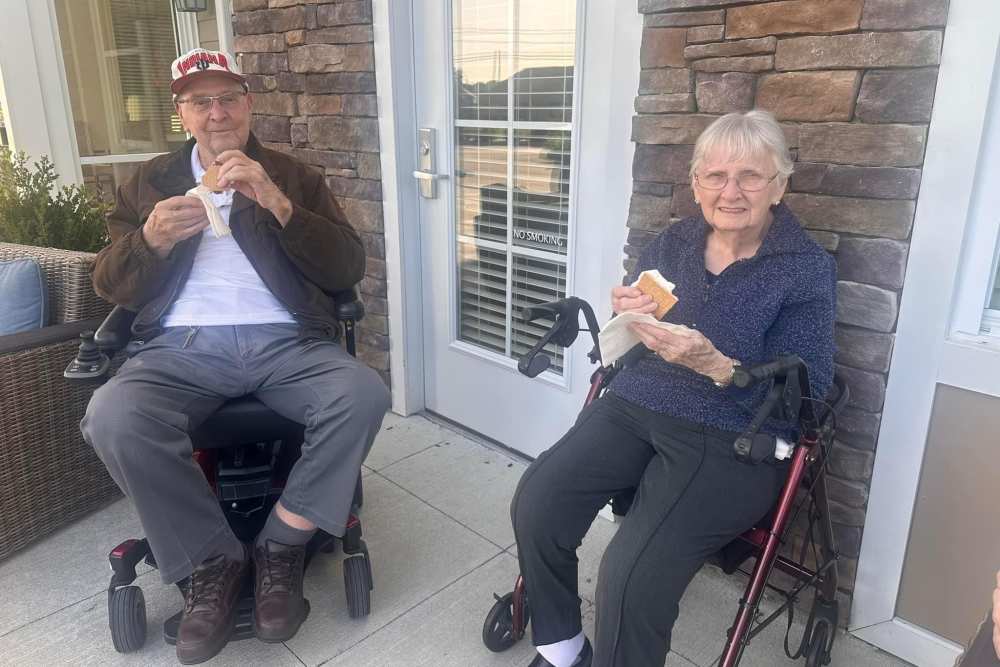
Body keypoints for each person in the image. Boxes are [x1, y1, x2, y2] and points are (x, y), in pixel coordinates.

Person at [80, 48, 390, 664]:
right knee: (112, 415)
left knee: (363, 393)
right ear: (183, 114)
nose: (217, 111)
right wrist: (150, 240)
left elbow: (347, 268)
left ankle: (282, 545)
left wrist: (277, 202)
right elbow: (109, 285)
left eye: (228, 98)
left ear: (248, 104)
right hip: (181, 345)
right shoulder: (147, 183)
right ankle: (211, 560)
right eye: (201, 101)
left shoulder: (293, 176)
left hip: (287, 340)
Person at [509, 110, 836, 667]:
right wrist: (629, 314)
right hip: (639, 403)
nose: (730, 191)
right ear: (695, 184)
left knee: (630, 577)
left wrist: (721, 368)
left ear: (780, 185)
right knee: (538, 501)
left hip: (733, 436)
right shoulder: (674, 242)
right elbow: (639, 335)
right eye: (715, 176)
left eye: (751, 176)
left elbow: (807, 398)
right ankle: (563, 647)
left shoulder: (804, 269)